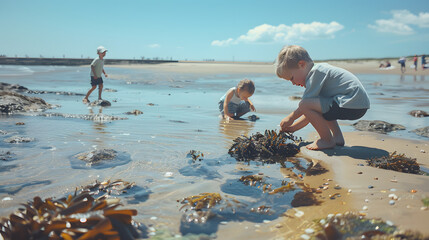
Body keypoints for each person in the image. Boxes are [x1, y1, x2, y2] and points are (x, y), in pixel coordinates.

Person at [275, 45, 370, 150]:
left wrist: (291, 117)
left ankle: (327, 140)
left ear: (301, 65)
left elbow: (305, 107)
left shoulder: (316, 72)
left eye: (292, 78)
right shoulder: (320, 71)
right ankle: (337, 138)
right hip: (358, 105)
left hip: (350, 101)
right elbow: (311, 114)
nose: (293, 83)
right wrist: (292, 129)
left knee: (304, 104)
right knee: (321, 105)